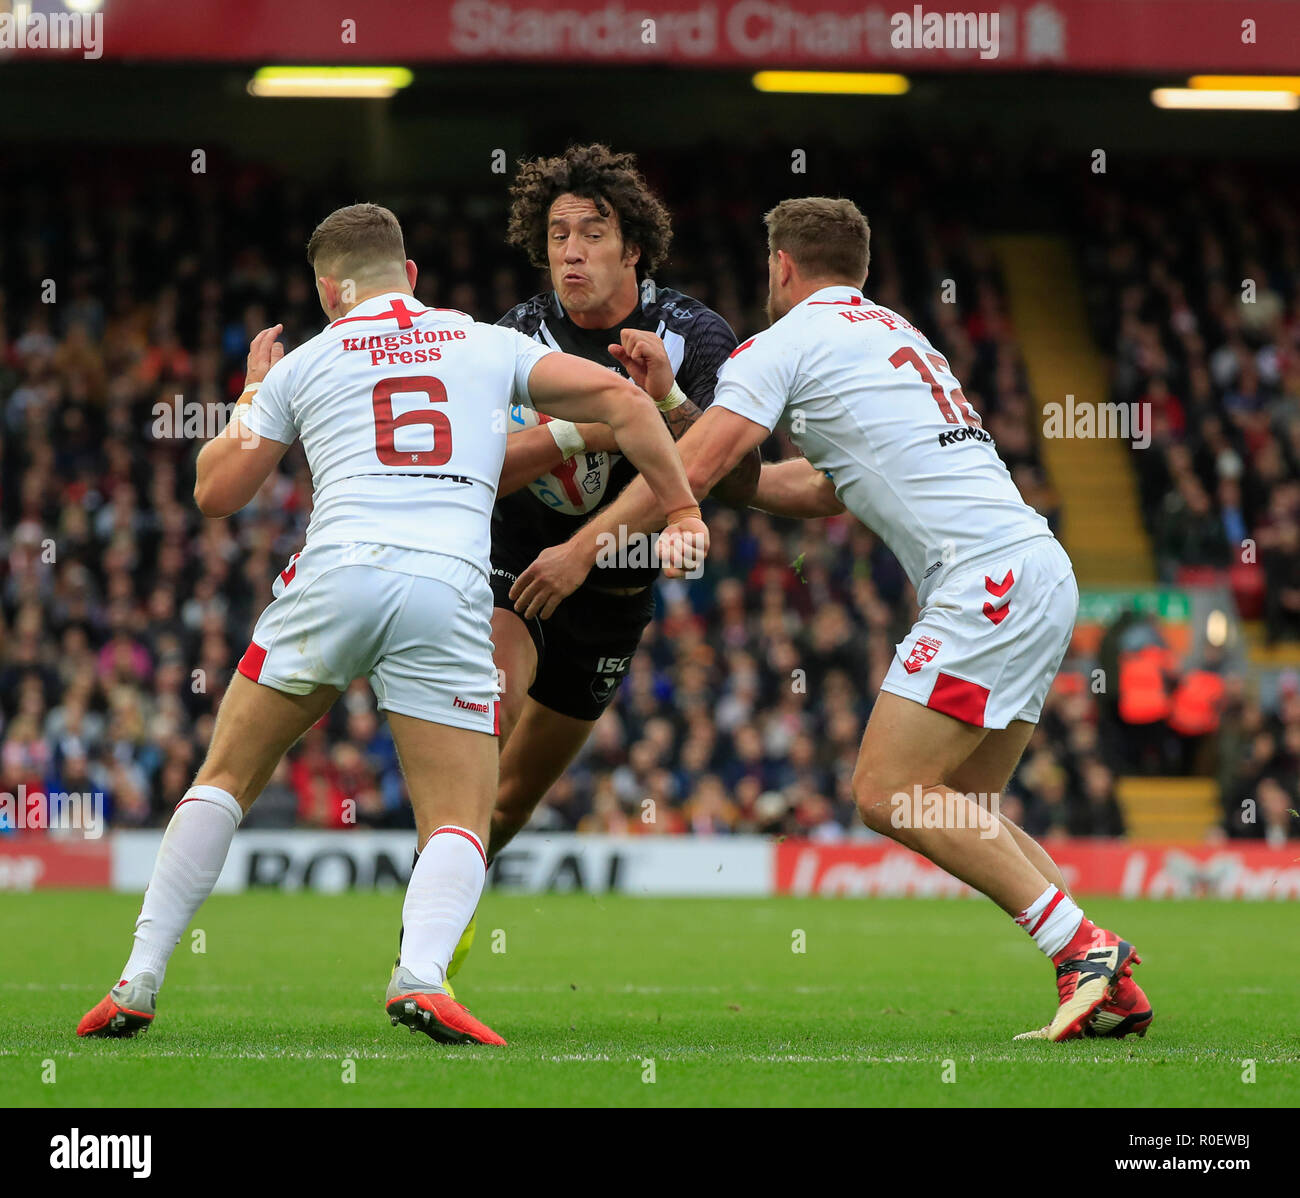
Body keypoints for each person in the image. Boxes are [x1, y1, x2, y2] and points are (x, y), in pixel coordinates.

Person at [76, 202, 706, 1047]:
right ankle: (422, 976)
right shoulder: (483, 340)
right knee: (457, 812)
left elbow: (215, 493)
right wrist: (681, 509)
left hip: (336, 573)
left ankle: (137, 980)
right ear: (409, 276)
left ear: (331, 293)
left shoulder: (310, 359)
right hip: (448, 586)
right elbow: (629, 406)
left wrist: (256, 391)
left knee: (226, 775)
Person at [531, 195, 1151, 1042]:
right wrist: (676, 395)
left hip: (987, 581)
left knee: (887, 791)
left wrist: (584, 549)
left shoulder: (782, 344)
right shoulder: (896, 336)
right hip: (1038, 568)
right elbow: (809, 489)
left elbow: (701, 471)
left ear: (781, 267)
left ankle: (1082, 950)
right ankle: (1100, 969)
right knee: (964, 802)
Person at [400, 145, 757, 986]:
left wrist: (662, 404)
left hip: (612, 589)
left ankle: (432, 920)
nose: (570, 251)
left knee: (511, 800)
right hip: (514, 567)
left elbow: (725, 473)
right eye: (557, 234)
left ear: (632, 247)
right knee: (484, 728)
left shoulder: (697, 337)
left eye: (591, 234)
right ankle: (422, 952)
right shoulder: (514, 338)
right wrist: (592, 428)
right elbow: (484, 462)